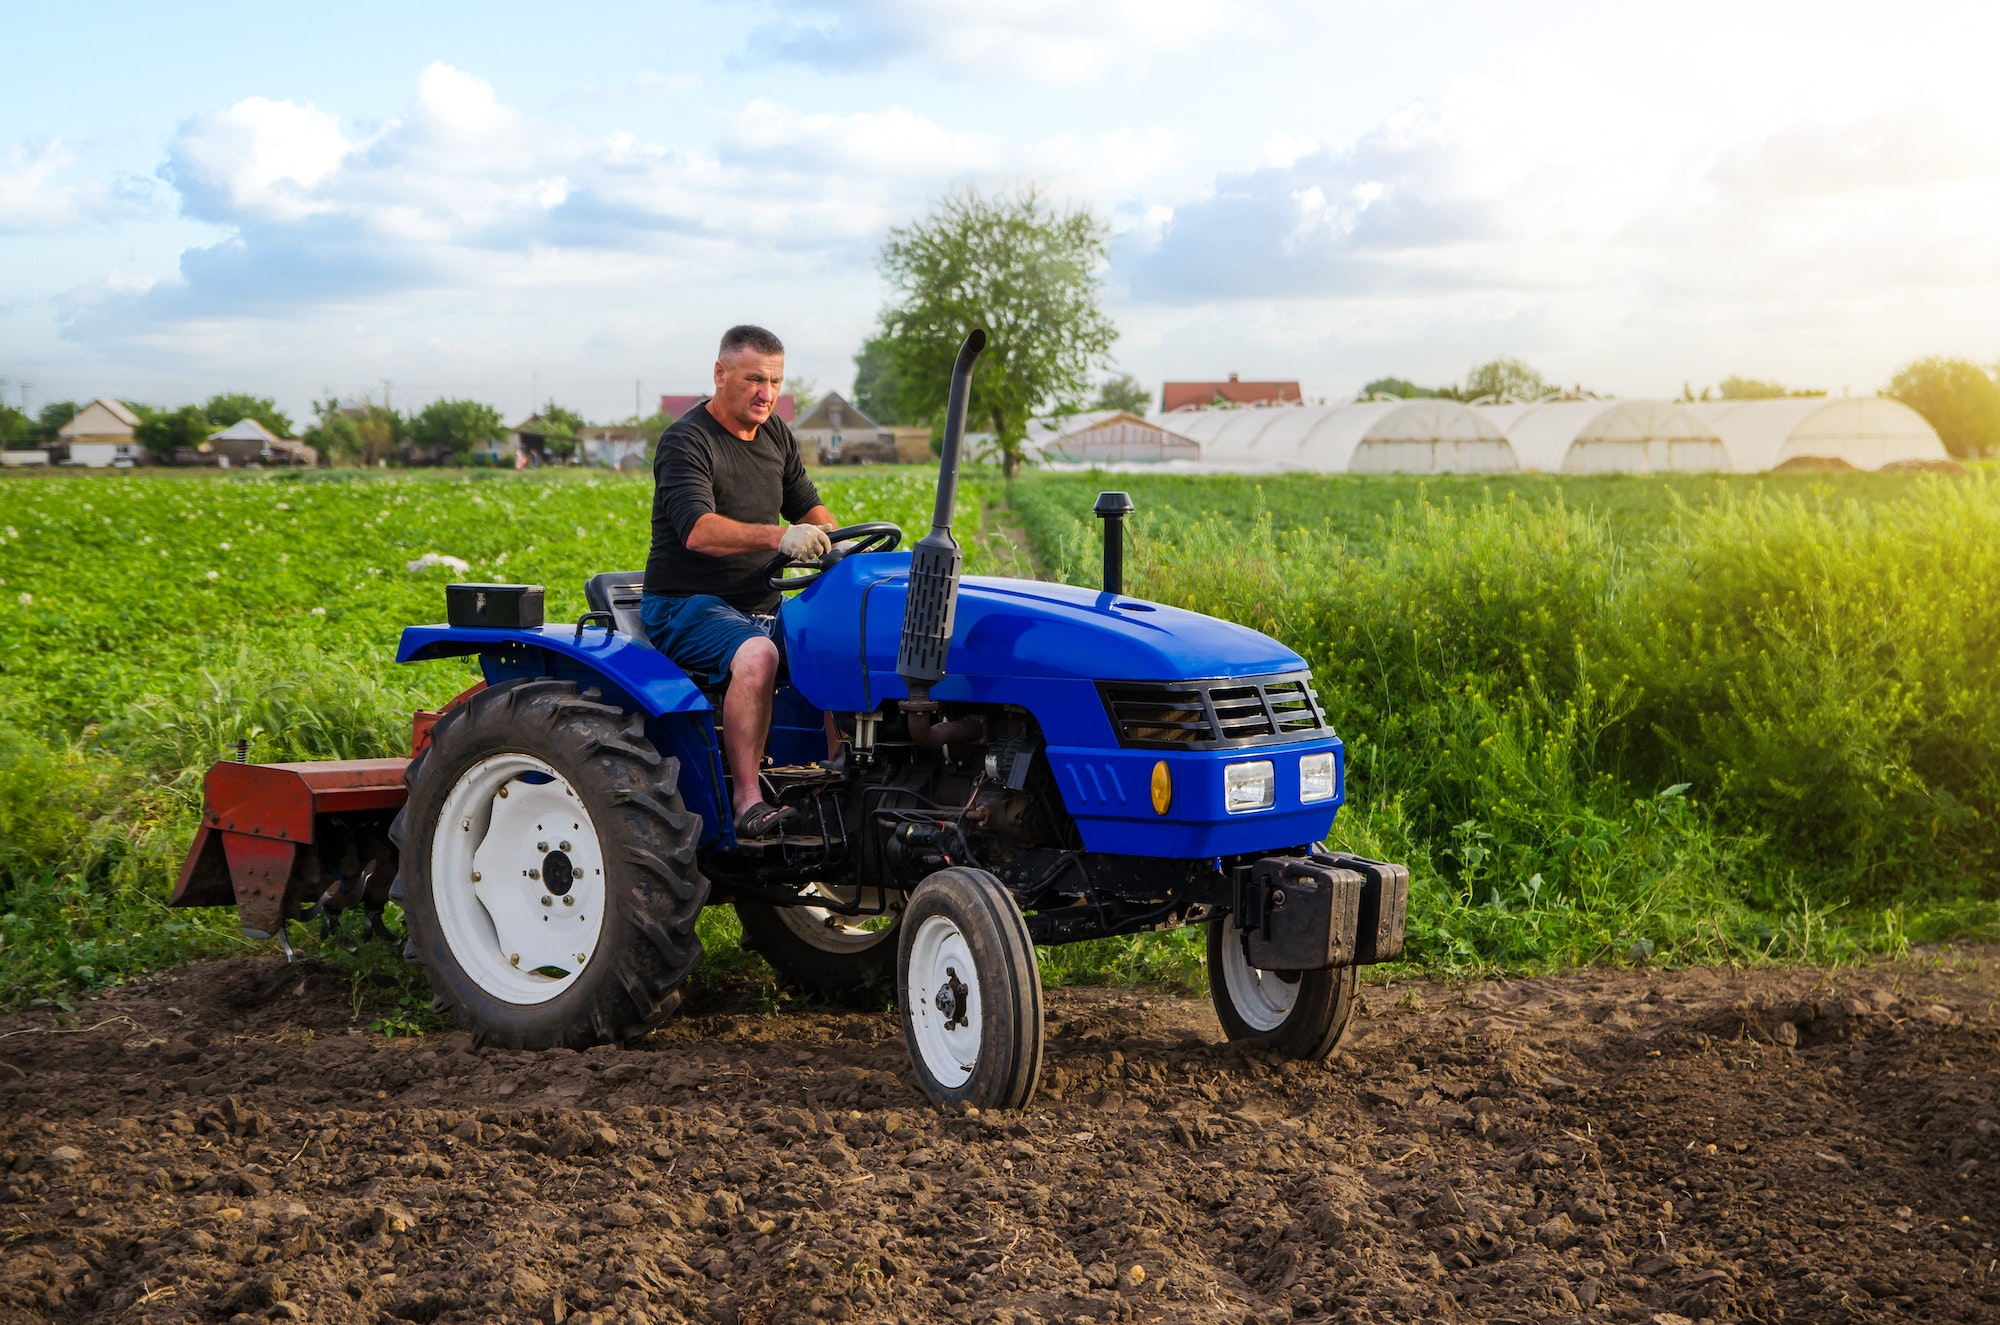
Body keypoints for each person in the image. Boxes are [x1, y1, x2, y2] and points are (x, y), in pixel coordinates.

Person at [641, 325, 837, 839]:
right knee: (758, 655)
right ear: (720, 374)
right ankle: (747, 801)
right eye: (754, 379)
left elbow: (809, 506)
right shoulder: (687, 440)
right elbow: (699, 531)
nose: (766, 393)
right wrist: (780, 537)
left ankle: (842, 781)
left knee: (842, 642)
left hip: (759, 605)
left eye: (774, 381)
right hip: (685, 605)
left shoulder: (775, 433)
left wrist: (832, 538)